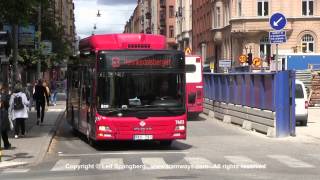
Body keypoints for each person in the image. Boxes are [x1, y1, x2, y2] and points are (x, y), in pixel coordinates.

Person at [0, 85, 13, 149]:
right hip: (2, 114)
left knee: (3, 130)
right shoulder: (4, 95)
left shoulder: (3, 96)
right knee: (3, 130)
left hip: (2, 114)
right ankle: (6, 144)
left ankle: (6, 144)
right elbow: (7, 105)